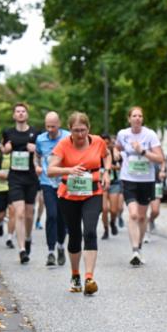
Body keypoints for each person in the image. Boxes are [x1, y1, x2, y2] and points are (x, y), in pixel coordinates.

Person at [46, 112, 111, 294]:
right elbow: (50, 170)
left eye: (83, 130)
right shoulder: (63, 145)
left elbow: (107, 155)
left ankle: (89, 277)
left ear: (88, 129)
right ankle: (75, 275)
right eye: (76, 131)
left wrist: (106, 172)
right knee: (74, 235)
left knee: (90, 231)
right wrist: (69, 169)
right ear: (70, 131)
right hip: (69, 195)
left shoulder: (98, 141)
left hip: (93, 192)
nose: (80, 135)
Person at [115, 106, 164, 266]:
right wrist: (115, 152)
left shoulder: (150, 135)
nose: (137, 118)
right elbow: (117, 147)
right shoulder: (123, 134)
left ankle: (140, 247)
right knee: (134, 215)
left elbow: (160, 158)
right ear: (129, 119)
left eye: (140, 116)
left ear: (142, 119)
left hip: (146, 180)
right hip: (128, 179)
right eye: (134, 116)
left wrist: (143, 151)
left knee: (142, 217)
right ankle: (135, 250)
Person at [3, 103, 40, 263]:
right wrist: (7, 148)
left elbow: (40, 153)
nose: (20, 114)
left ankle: (29, 237)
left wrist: (36, 149)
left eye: (23, 111)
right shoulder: (8, 132)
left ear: (27, 115)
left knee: (30, 214)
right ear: (13, 115)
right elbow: (3, 149)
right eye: (17, 111)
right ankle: (22, 249)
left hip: (31, 177)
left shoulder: (35, 133)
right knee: (19, 213)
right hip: (15, 177)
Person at [36, 112, 69, 266]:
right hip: (47, 181)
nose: (50, 129)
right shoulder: (40, 139)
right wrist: (37, 165)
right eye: (47, 126)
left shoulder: (68, 137)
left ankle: (61, 246)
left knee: (62, 216)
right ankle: (50, 251)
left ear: (59, 124)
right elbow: (37, 155)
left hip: (64, 182)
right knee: (52, 215)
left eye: (53, 127)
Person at [101, 135, 123, 240]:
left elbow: (123, 165)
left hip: (114, 183)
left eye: (107, 143)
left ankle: (112, 222)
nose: (105, 145)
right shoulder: (97, 153)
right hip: (101, 184)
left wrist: (111, 167)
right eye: (103, 143)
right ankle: (105, 230)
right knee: (104, 209)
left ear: (110, 143)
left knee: (114, 210)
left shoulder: (115, 154)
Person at [145, 153, 167, 242]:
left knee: (155, 211)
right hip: (144, 183)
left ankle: (151, 221)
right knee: (143, 211)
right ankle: (145, 233)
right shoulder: (142, 149)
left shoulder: (158, 152)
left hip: (156, 184)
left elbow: (163, 161)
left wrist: (162, 171)